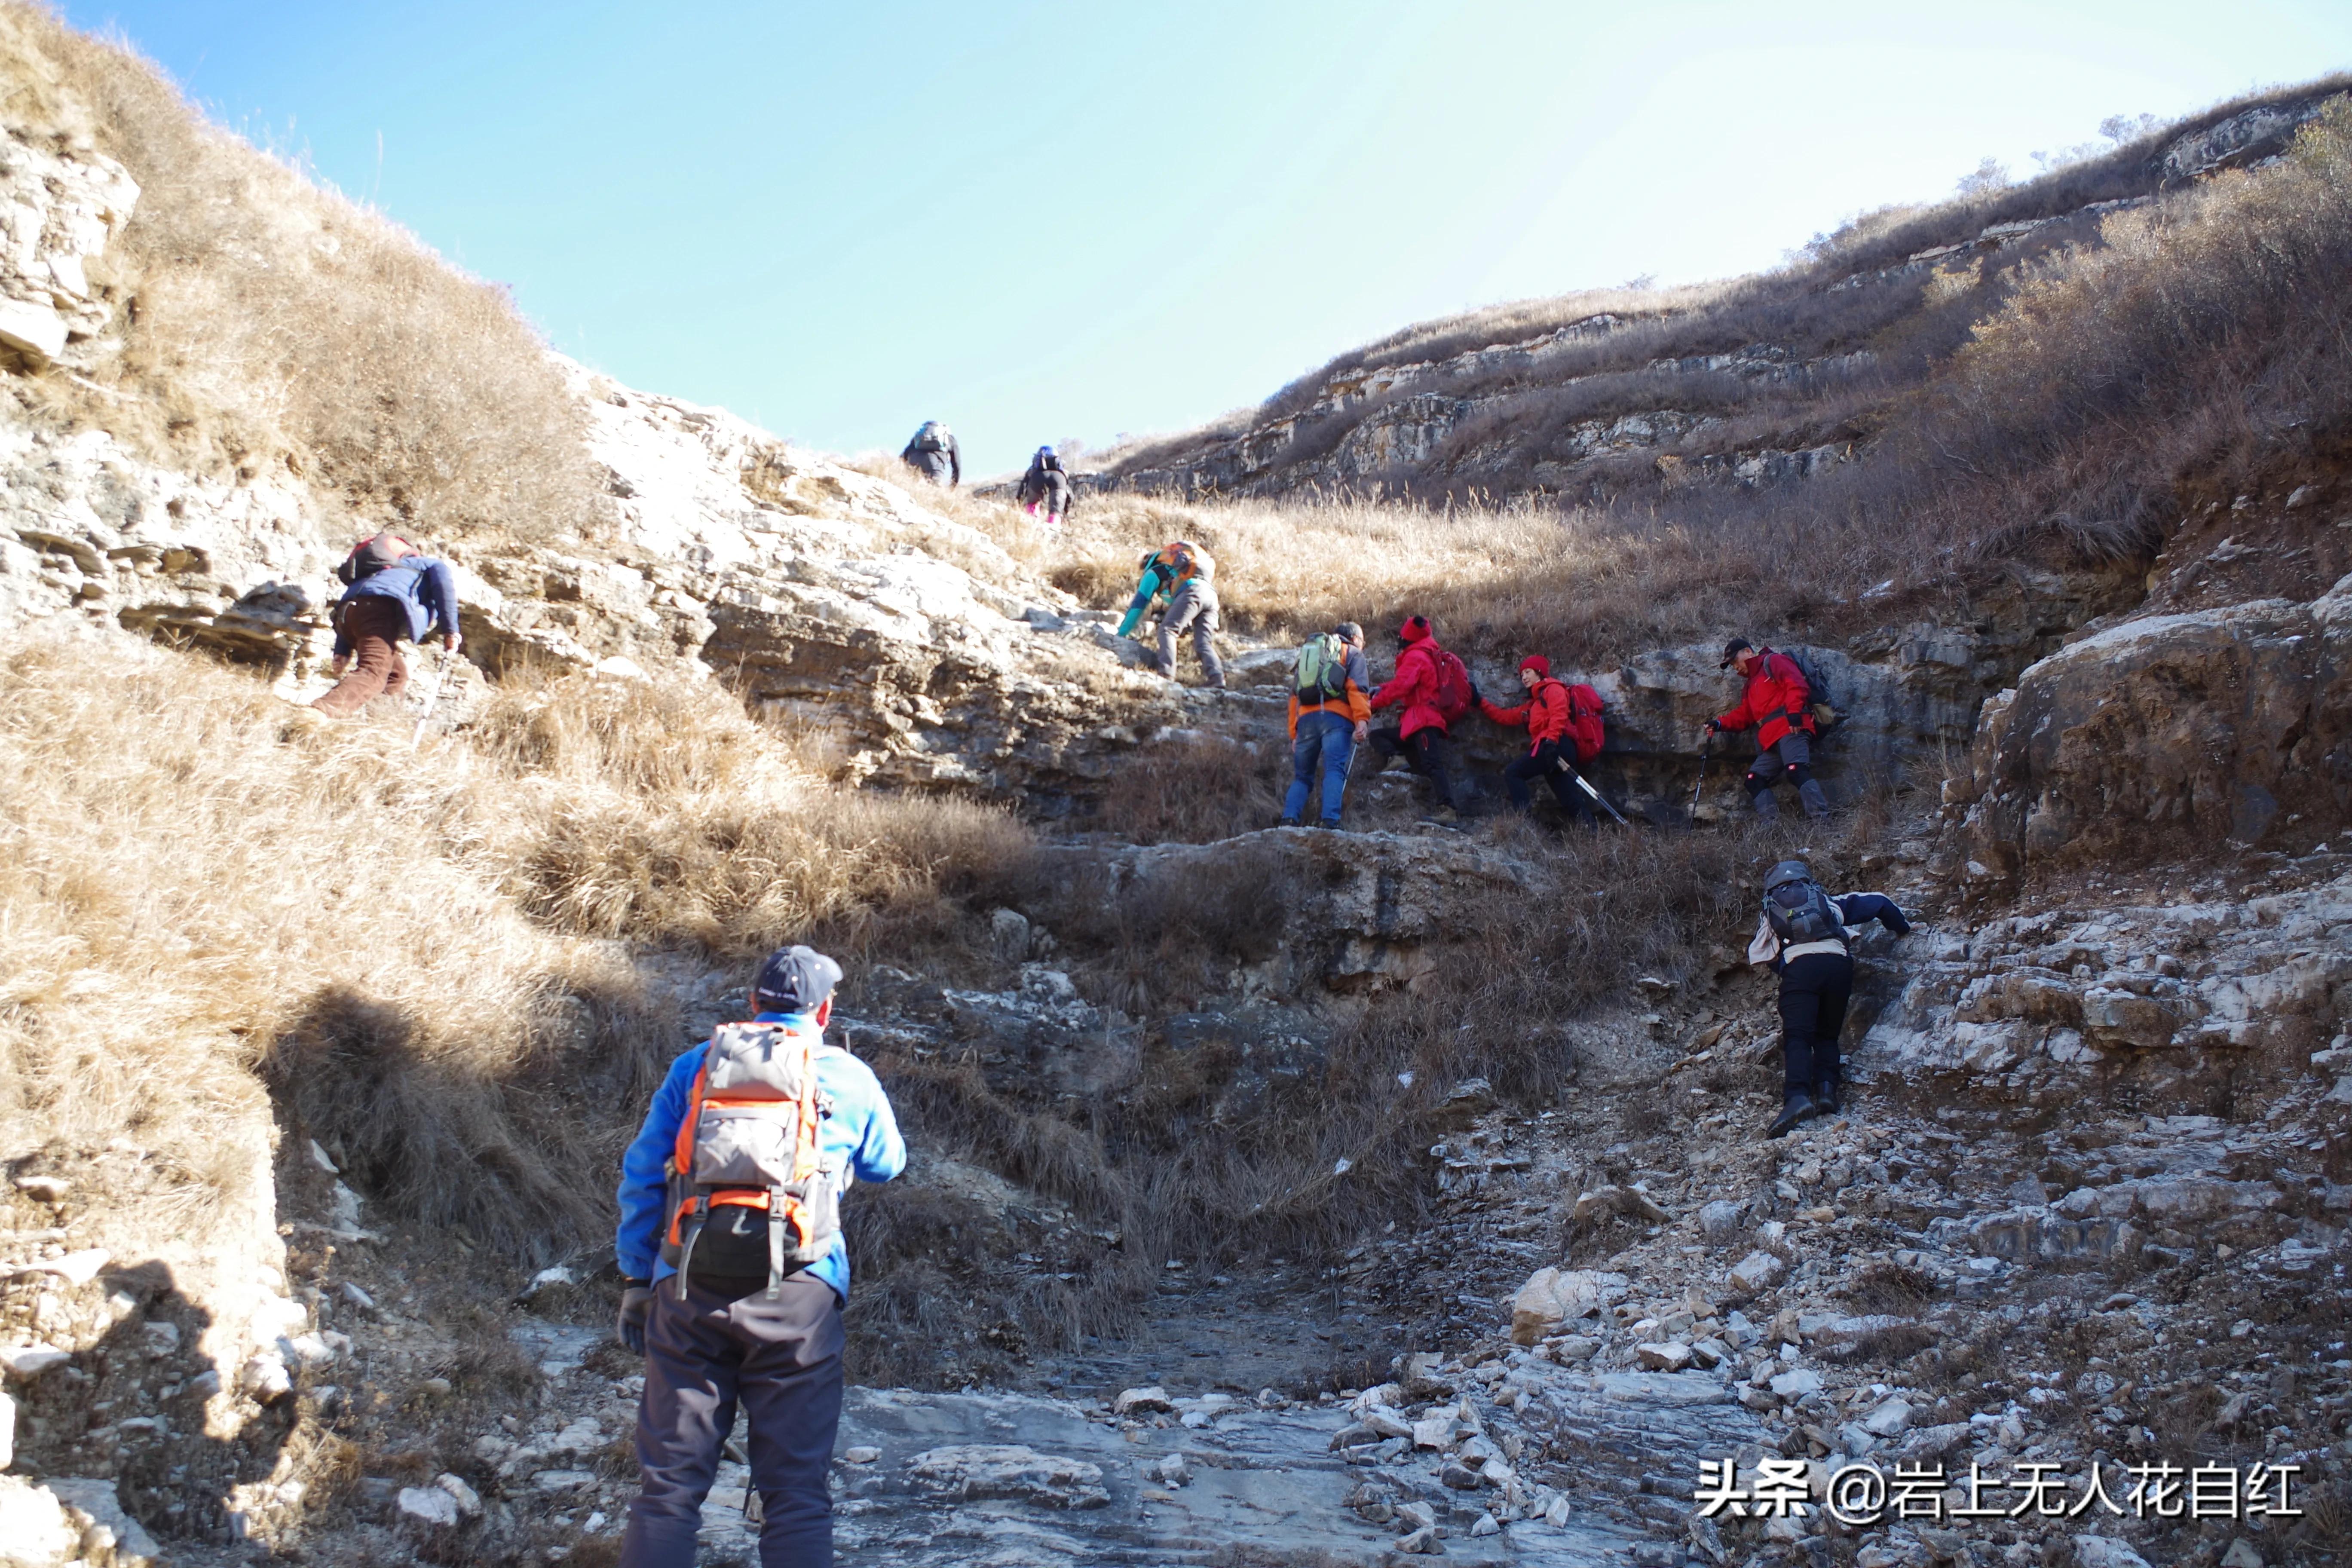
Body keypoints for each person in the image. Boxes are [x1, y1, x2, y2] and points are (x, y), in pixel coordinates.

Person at [614, 945, 905, 1568]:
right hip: (800, 1292)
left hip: (688, 1283)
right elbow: (888, 1164)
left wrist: (639, 1278)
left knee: (667, 1492)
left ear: (752, 1004)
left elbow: (642, 1173)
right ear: (824, 1010)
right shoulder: (848, 1076)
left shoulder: (697, 1066)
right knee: (795, 1495)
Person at [1746, 861, 1911, 1138]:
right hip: (1838, 966)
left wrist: (1786, 969)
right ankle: (1826, 1092)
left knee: (1798, 1035)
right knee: (1828, 1034)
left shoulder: (1771, 911)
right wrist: (1903, 928)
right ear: (1807, 881)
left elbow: (1762, 952)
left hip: (1800, 968)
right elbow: (1881, 903)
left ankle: (1797, 1097)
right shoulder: (1826, 901)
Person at [312, 533, 461, 718]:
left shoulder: (375, 576)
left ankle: (380, 724)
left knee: (396, 675)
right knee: (374, 672)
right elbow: (444, 592)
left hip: (350, 618)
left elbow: (355, 606)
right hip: (380, 612)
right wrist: (451, 632)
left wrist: (342, 650)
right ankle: (320, 712)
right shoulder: (430, 565)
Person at [1707, 638, 1828, 821]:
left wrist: (1794, 713)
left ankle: (1822, 821)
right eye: (1731, 665)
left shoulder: (1774, 661)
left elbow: (1796, 685)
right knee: (1753, 780)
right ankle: (1771, 828)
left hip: (1791, 728)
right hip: (1771, 741)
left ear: (1748, 652)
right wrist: (1719, 724)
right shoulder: (1750, 686)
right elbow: (1746, 715)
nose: (1735, 667)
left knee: (1796, 771)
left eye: (1734, 661)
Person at [1478, 655, 1605, 826]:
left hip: (1556, 745)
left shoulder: (1553, 689)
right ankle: (1593, 833)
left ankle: (1523, 825)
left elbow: (1559, 715)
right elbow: (1505, 717)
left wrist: (1552, 742)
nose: (1524, 677)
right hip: (1553, 749)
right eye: (1522, 674)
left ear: (1539, 672)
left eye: (1528, 672)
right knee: (1569, 799)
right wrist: (1479, 702)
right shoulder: (1533, 705)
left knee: (1514, 773)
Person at [1366, 615, 1464, 821]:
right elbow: (1403, 683)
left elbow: (1402, 686)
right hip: (1415, 723)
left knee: (1433, 765)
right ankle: (1397, 758)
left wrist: (1373, 704)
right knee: (1378, 737)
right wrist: (1381, 689)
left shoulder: (1416, 657)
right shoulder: (1426, 654)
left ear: (1407, 636)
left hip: (1423, 721)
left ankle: (1449, 811)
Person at [1280, 621, 1372, 828]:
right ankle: (1329, 821)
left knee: (1302, 777)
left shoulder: (1313, 655)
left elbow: (1294, 697)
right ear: (1356, 639)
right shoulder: (1353, 654)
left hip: (1306, 721)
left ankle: (1289, 819)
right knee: (1334, 770)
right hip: (1337, 720)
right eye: (1363, 641)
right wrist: (1362, 720)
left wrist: (1294, 733)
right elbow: (1357, 689)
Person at [1115, 541, 1224, 689]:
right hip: (1211, 595)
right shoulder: (1179, 573)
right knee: (1203, 643)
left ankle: (1166, 676)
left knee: (1167, 631)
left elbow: (1138, 607)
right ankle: (1217, 679)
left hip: (1192, 592)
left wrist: (1121, 635)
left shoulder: (1154, 572)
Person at [1015, 446, 1071, 527]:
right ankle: (1054, 527)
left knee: (1033, 503)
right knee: (1056, 511)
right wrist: (1066, 512)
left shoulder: (1032, 472)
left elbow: (1023, 488)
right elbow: (1070, 496)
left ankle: (1033, 523)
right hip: (1059, 479)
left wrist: (1019, 501)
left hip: (1037, 478)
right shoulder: (1062, 474)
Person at [899, 420, 960, 487]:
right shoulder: (950, 439)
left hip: (914, 460)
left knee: (910, 486)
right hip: (934, 463)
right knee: (935, 489)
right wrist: (953, 485)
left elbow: (904, 455)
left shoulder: (920, 437)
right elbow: (957, 465)